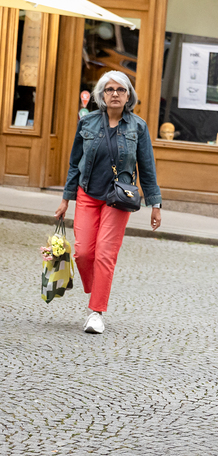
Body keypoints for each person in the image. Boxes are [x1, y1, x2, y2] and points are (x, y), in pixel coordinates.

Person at [55, 71, 162, 335]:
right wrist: (66, 199)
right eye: (110, 89)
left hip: (118, 199)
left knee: (105, 254)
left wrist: (155, 204)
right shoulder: (87, 122)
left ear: (128, 95)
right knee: (82, 253)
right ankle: (97, 288)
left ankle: (96, 312)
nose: (115, 94)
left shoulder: (138, 127)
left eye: (121, 90)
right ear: (102, 95)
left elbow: (147, 168)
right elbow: (74, 164)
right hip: (87, 194)